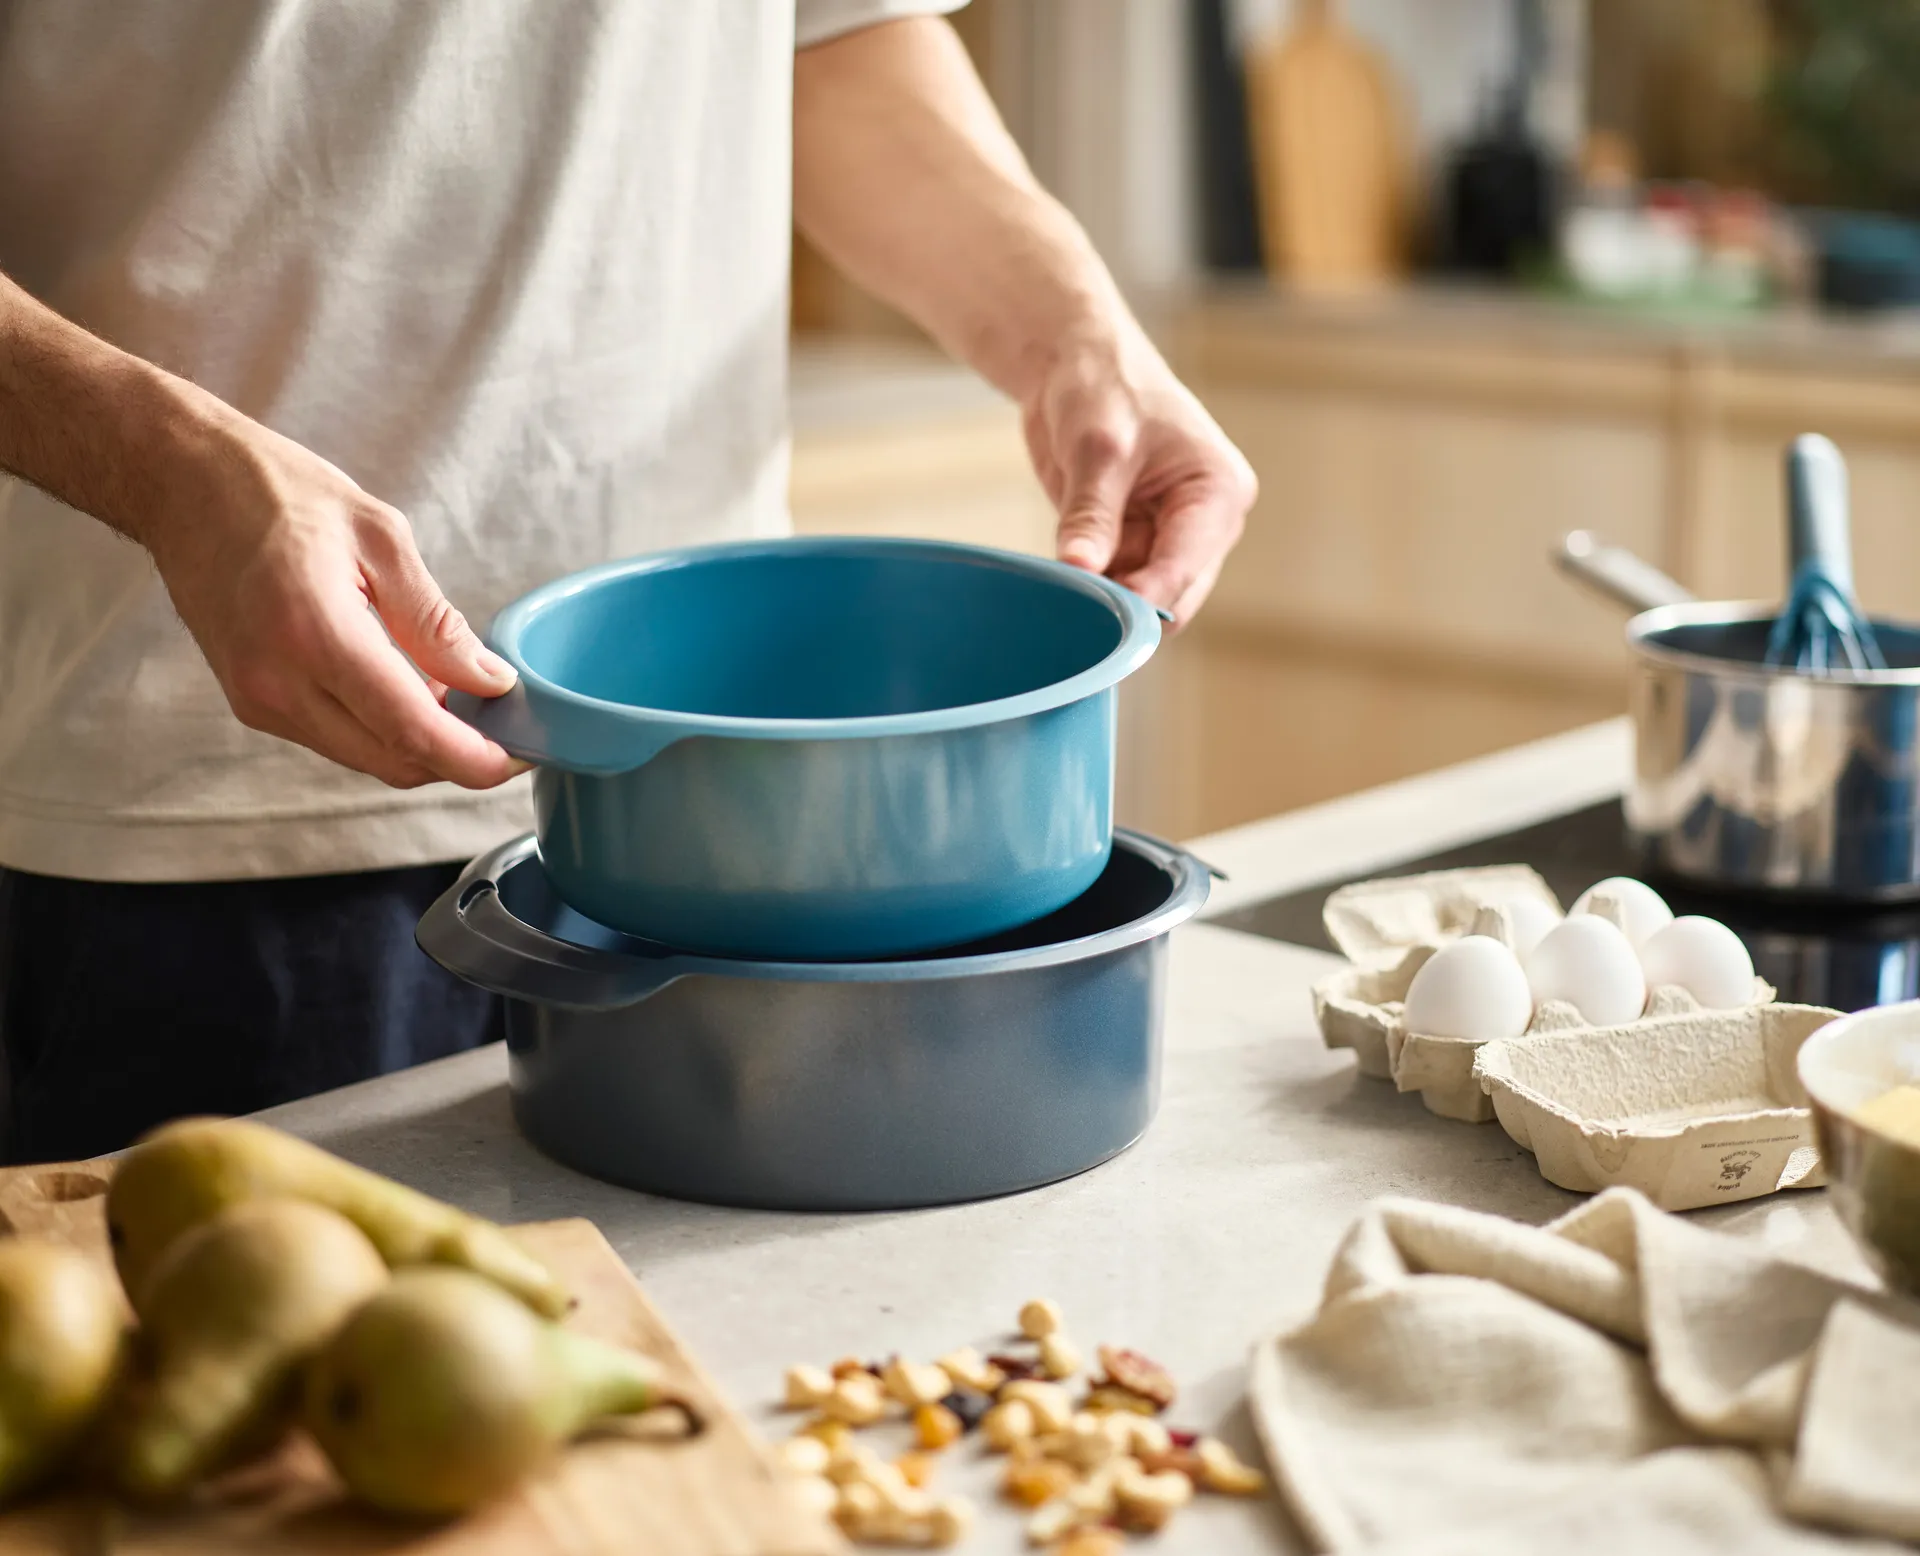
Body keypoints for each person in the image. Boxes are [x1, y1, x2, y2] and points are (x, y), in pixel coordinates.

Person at [0, 3, 1255, 1163]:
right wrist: (168, 467)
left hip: (750, 839)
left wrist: (1075, 334)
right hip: (207, 813)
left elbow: (837, 41)